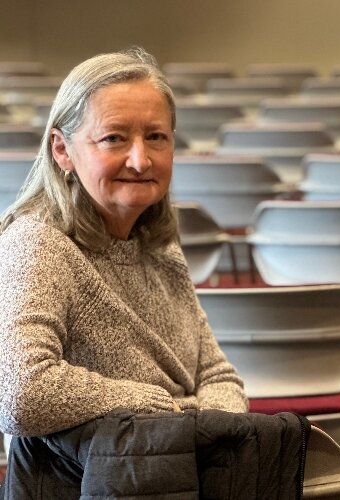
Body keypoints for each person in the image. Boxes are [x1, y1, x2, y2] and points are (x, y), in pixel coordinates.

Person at [0, 47, 247, 439]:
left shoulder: (157, 245)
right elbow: (21, 394)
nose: (140, 160)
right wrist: (170, 410)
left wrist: (205, 429)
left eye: (156, 137)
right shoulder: (38, 245)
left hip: (178, 463)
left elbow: (217, 374)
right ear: (62, 150)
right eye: (114, 138)